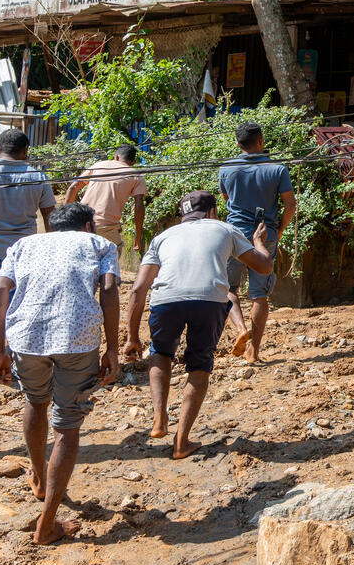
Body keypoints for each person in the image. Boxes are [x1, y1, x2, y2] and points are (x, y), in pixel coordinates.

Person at [0, 203, 120, 545]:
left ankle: (39, 476)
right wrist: (113, 348)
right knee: (67, 426)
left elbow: (0, 291)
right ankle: (47, 525)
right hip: (78, 339)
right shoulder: (100, 245)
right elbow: (108, 291)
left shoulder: (22, 246)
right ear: (88, 224)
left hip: (26, 337)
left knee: (35, 401)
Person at [122, 191, 272, 458]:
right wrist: (259, 242)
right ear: (213, 211)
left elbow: (137, 289)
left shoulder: (162, 237)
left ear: (184, 214)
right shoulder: (225, 229)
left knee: (161, 353)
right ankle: (181, 442)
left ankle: (159, 418)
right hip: (209, 300)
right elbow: (264, 267)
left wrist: (131, 336)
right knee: (200, 365)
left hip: (165, 299)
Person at [0, 129, 56, 378]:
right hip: (23, 255)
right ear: (25, 152)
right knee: (19, 309)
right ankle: (12, 362)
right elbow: (50, 217)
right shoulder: (37, 176)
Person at [217, 122, 295, 363]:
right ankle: (254, 351)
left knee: (229, 290)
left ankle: (240, 328)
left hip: (233, 235)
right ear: (261, 141)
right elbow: (290, 205)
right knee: (259, 296)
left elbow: (226, 199)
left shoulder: (226, 168)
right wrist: (279, 230)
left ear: (238, 144)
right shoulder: (278, 169)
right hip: (264, 234)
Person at [66, 143, 147, 257]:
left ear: (116, 157)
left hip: (81, 223)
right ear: (133, 162)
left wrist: (66, 220)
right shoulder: (136, 176)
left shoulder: (98, 165)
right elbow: (139, 206)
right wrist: (138, 235)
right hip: (107, 229)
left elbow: (73, 187)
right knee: (109, 268)